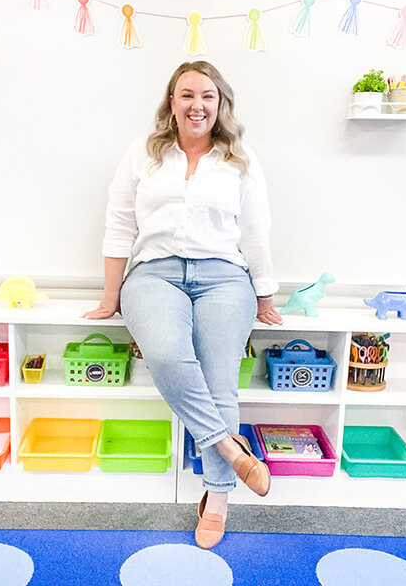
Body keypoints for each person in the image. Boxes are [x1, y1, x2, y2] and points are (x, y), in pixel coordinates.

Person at [84, 60, 282, 549]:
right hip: (154, 273)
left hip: (224, 277)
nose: (197, 105)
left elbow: (256, 232)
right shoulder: (142, 155)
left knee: (219, 379)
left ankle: (216, 499)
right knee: (169, 356)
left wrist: (264, 293)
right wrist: (111, 296)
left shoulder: (241, 160)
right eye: (187, 95)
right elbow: (119, 226)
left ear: (221, 103)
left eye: (207, 96)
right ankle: (229, 449)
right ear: (171, 102)